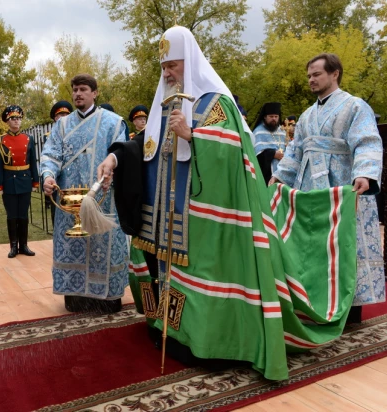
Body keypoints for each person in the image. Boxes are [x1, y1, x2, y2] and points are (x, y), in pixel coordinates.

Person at [97, 26, 360, 381]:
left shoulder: (216, 103)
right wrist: (114, 158)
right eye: (163, 68)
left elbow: (236, 151)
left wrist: (192, 135)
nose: (168, 73)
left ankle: (208, 341)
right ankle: (171, 329)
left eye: (173, 65)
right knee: (169, 273)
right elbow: (144, 144)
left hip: (206, 217)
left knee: (202, 275)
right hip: (168, 215)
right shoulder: (166, 102)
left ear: (189, 61)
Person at [271, 53, 385, 323]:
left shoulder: (355, 107)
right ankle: (318, 303)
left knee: (346, 242)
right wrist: (280, 176)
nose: (311, 79)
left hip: (344, 186)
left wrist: (365, 173)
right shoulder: (308, 115)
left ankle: (351, 309)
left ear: (335, 74)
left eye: (316, 74)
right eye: (309, 75)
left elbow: (368, 141)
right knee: (316, 243)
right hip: (311, 189)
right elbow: (295, 150)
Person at [40, 74, 129, 313]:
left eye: (83, 89)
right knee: (72, 246)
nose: (78, 94)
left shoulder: (113, 122)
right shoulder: (62, 125)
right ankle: (76, 298)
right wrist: (48, 175)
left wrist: (113, 170)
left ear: (94, 93)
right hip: (69, 203)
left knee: (103, 245)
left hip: (103, 199)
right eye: (75, 90)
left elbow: (122, 154)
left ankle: (107, 299)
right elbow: (50, 155)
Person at [0, 105, 40, 258]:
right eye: (13, 118)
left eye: (19, 118)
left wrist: (35, 181)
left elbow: (33, 161)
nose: (16, 121)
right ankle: (13, 246)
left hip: (25, 180)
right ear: (7, 121)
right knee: (12, 215)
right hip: (9, 181)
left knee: (23, 214)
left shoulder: (29, 139)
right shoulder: (1, 140)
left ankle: (24, 245)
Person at [44, 101, 74, 227]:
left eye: (66, 115)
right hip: (56, 179)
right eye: (60, 115)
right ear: (55, 118)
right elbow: (47, 158)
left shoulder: (76, 134)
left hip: (73, 179)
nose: (63, 118)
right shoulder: (49, 136)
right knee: (57, 212)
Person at [252, 102, 286, 183]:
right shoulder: (258, 132)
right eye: (271, 116)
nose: (274, 119)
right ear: (265, 117)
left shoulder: (282, 131)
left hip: (283, 172)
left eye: (276, 116)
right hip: (266, 175)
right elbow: (255, 156)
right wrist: (273, 154)